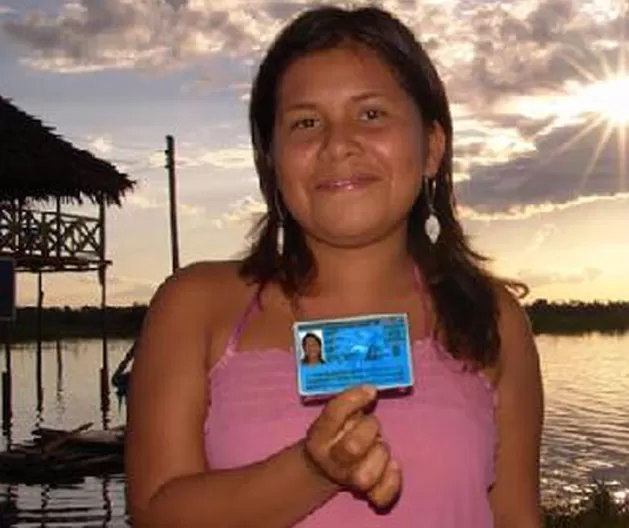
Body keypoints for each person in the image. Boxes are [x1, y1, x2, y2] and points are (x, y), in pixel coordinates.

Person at [124, 5, 544, 528]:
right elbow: (155, 514)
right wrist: (312, 469)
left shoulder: (492, 317)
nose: (338, 144)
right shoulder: (196, 305)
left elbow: (517, 517)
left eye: (371, 114)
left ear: (432, 147)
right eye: (305, 122)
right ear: (271, 161)